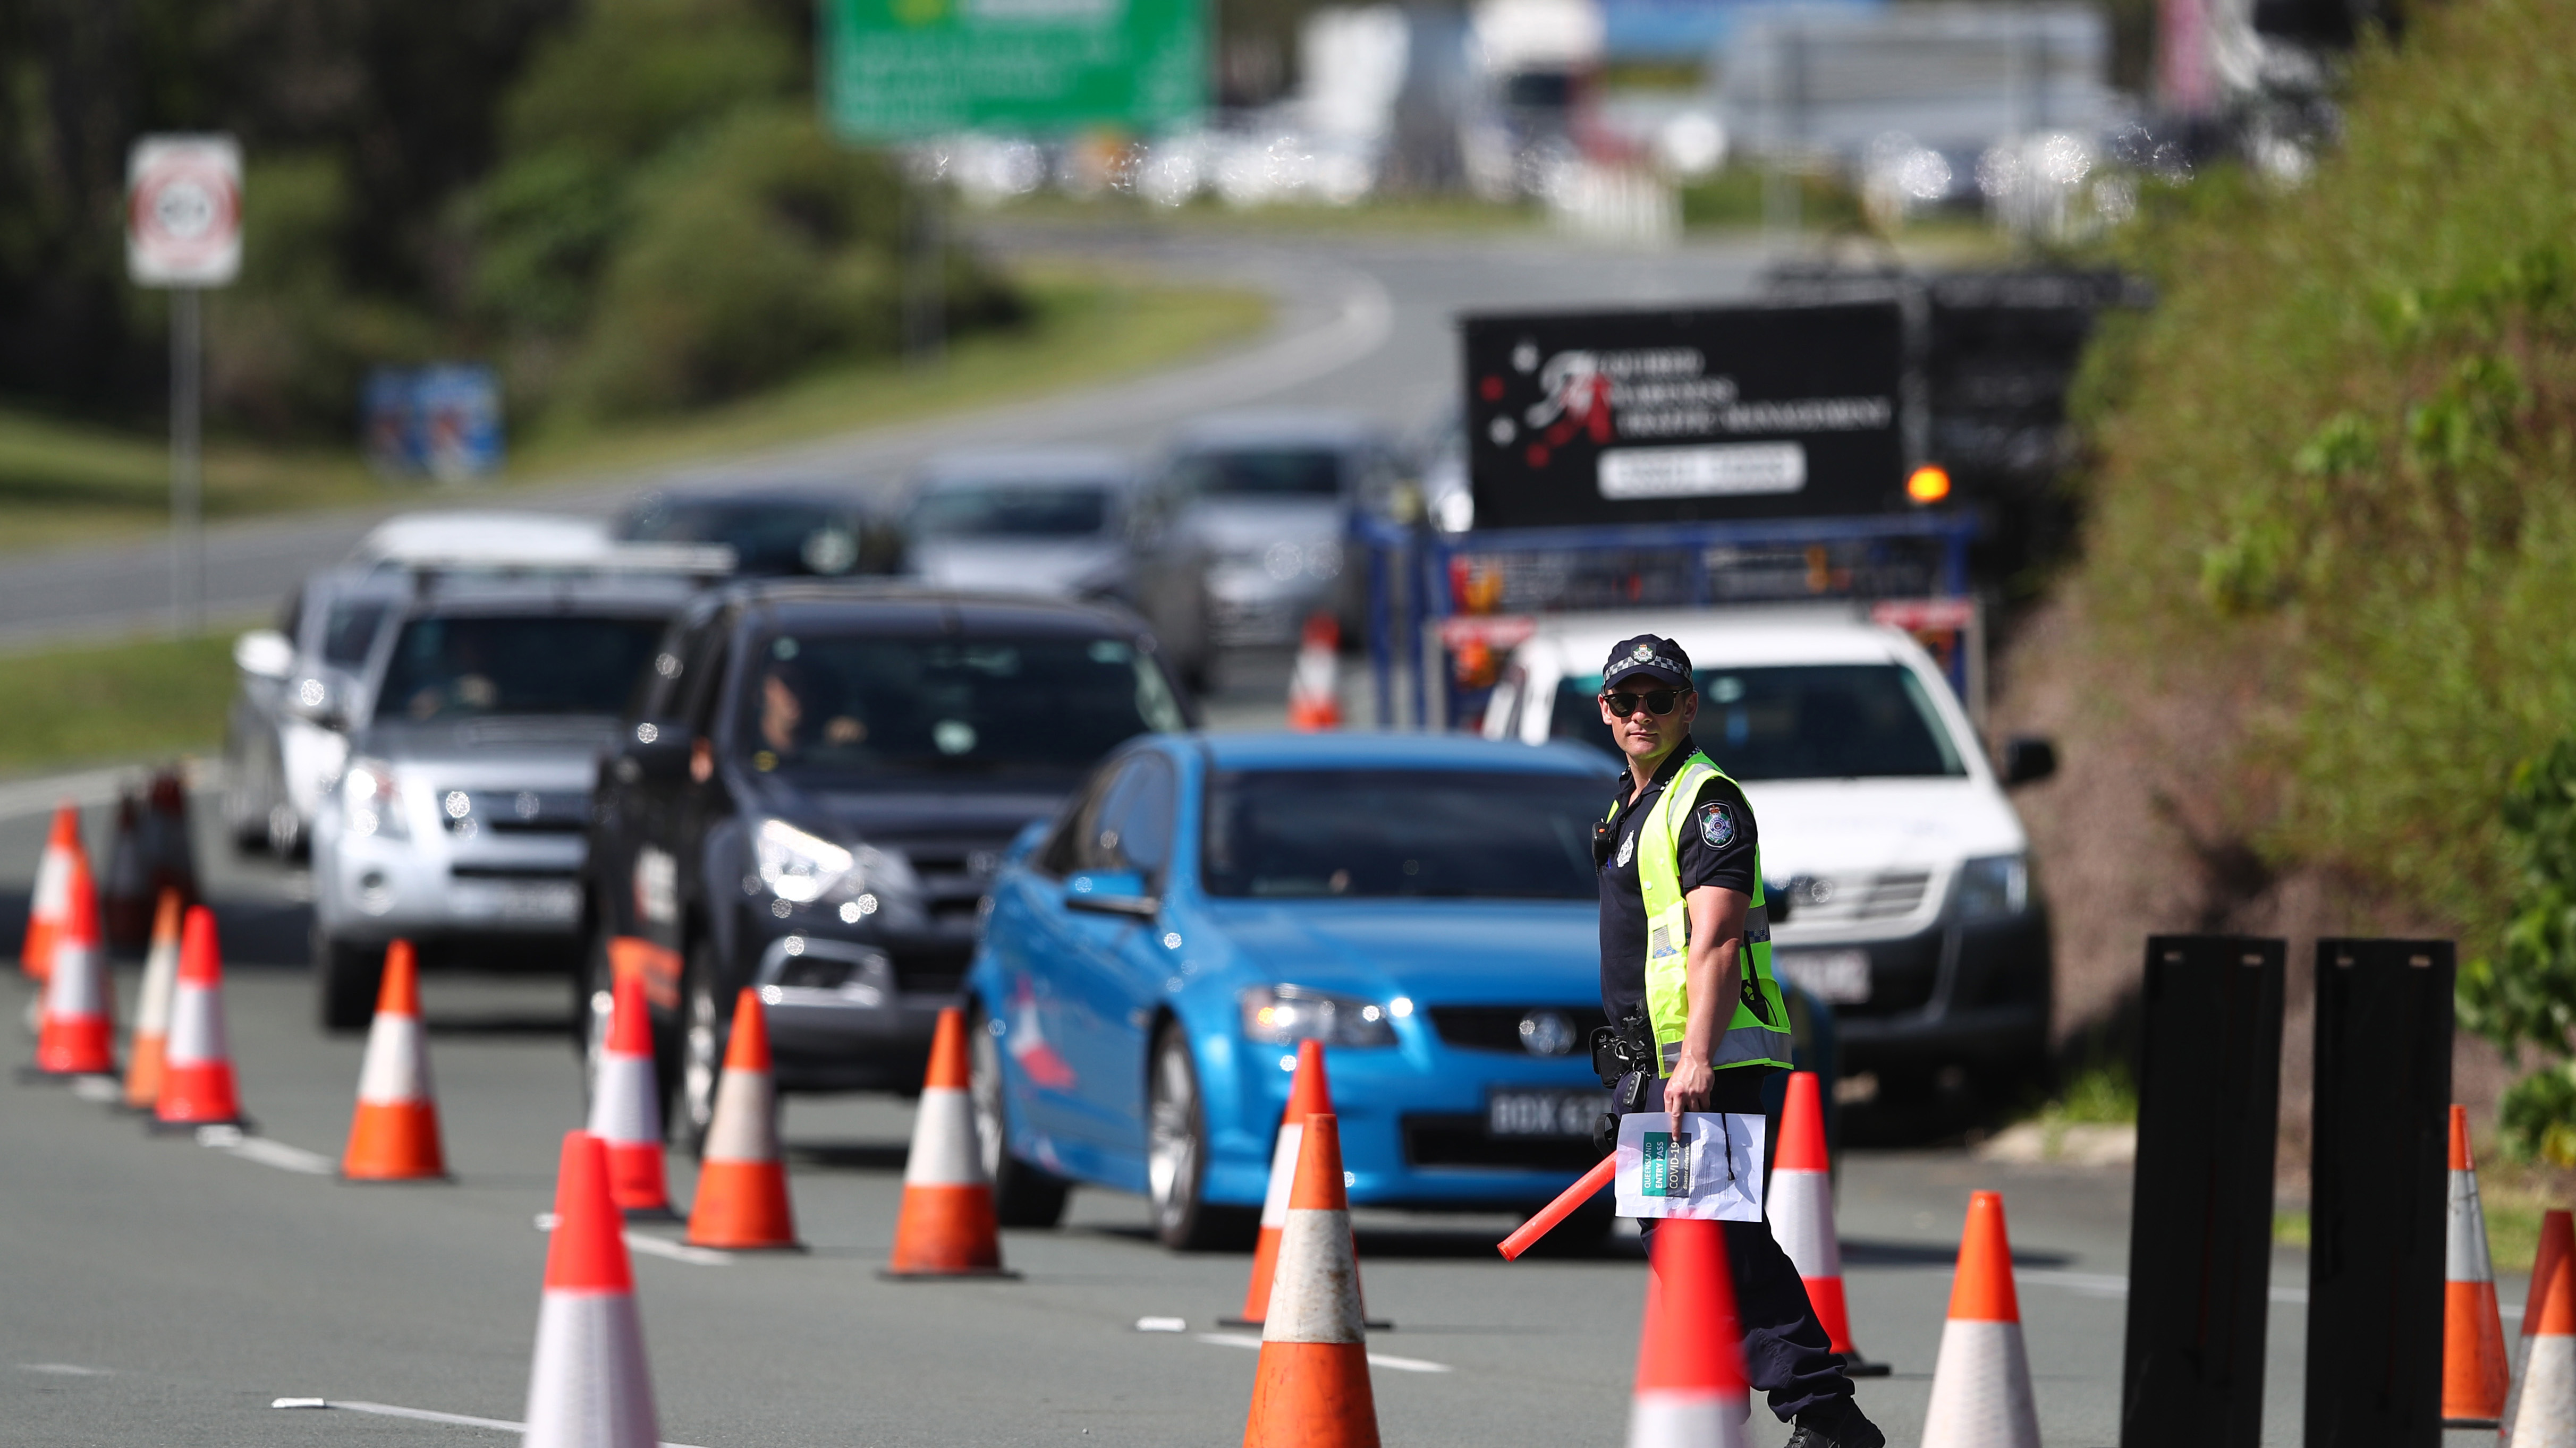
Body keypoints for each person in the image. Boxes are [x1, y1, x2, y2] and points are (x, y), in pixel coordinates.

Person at [1591, 633, 1883, 1448]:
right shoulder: (1631, 803)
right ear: (1606, 710)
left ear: (1690, 705)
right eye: (1626, 699)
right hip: (1657, 1071)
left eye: (1659, 698)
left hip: (1708, 1066)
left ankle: (1823, 1414)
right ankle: (1762, 1397)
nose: (1641, 713)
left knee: (1720, 1239)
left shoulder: (1707, 801)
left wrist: (1693, 1061)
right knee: (1684, 1235)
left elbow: (1714, 938)